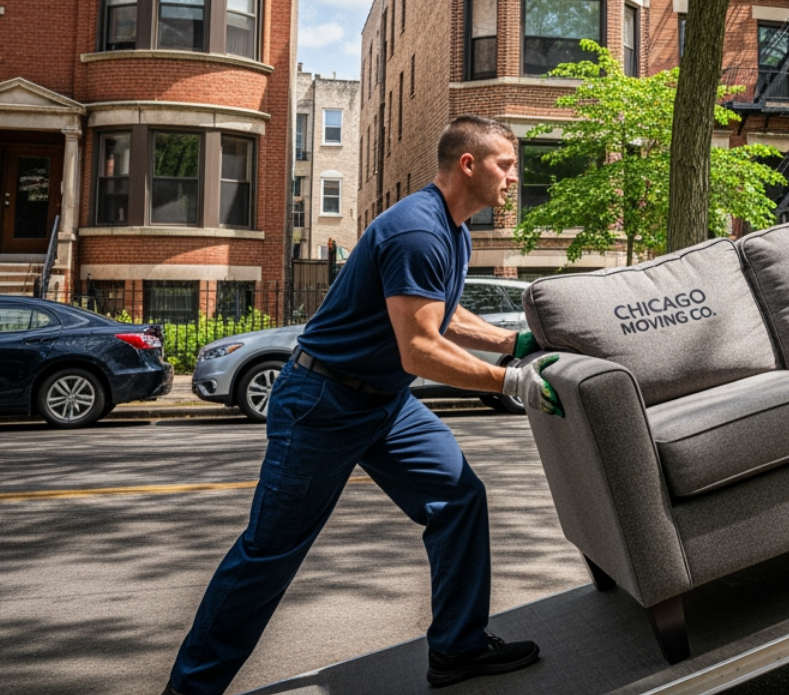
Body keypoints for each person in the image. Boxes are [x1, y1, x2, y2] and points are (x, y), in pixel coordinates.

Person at [163, 115, 560, 695]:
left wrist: (510, 342)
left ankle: (458, 647)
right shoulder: (417, 231)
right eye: (507, 164)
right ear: (468, 164)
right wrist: (510, 382)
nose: (514, 177)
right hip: (322, 402)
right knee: (270, 553)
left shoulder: (454, 230)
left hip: (385, 403)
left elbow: (440, 312)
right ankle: (189, 691)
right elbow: (420, 349)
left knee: (459, 499)